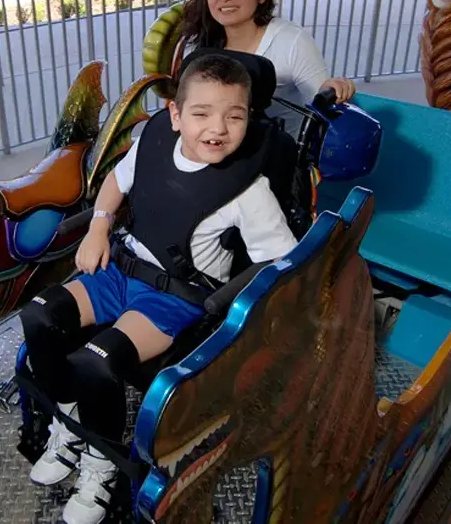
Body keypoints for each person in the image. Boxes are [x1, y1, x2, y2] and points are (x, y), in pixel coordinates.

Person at [18, 53, 298, 524]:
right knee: (40, 316)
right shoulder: (151, 143)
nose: (219, 128)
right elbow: (114, 182)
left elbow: (279, 257)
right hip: (121, 269)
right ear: (175, 115)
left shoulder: (249, 190)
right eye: (202, 113)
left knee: (97, 362)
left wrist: (236, 304)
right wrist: (98, 228)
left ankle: (101, 461)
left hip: (175, 295)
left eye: (235, 116)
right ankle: (74, 421)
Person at [180, 0, 357, 137]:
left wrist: (333, 89)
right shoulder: (197, 45)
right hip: (214, 148)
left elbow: (321, 105)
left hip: (277, 155)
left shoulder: (292, 41)